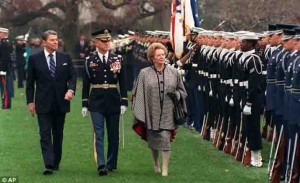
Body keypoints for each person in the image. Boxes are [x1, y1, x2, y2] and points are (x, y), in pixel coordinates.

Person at [26, 30, 77, 175]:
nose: (56, 42)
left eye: (57, 39)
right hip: (42, 103)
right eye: (52, 40)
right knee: (45, 134)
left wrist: (71, 90)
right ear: (44, 43)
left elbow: (73, 77)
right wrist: (30, 102)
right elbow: (30, 83)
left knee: (58, 133)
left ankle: (56, 161)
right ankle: (48, 164)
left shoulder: (65, 57)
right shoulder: (34, 59)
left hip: (61, 103)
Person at [132, 42, 187, 176]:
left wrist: (177, 95)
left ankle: (165, 169)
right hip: (152, 112)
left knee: (165, 139)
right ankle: (156, 164)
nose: (162, 57)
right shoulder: (144, 73)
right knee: (154, 141)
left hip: (169, 111)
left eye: (163, 54)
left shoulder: (174, 72)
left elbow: (183, 92)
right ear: (152, 58)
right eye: (158, 55)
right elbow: (137, 92)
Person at [81, 29, 128, 176]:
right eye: (103, 41)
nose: (107, 43)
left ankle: (111, 163)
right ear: (96, 42)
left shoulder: (118, 59)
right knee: (99, 134)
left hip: (113, 99)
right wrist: (84, 103)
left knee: (113, 135)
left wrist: (124, 102)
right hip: (96, 100)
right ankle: (101, 164)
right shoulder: (90, 61)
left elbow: (123, 82)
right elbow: (86, 84)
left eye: (108, 40)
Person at [0, 27, 13, 109]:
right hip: (3, 67)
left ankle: (6, 105)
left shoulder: (4, 43)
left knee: (4, 87)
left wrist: (3, 69)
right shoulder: (4, 43)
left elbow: (5, 58)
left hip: (3, 68)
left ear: (3, 34)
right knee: (3, 87)